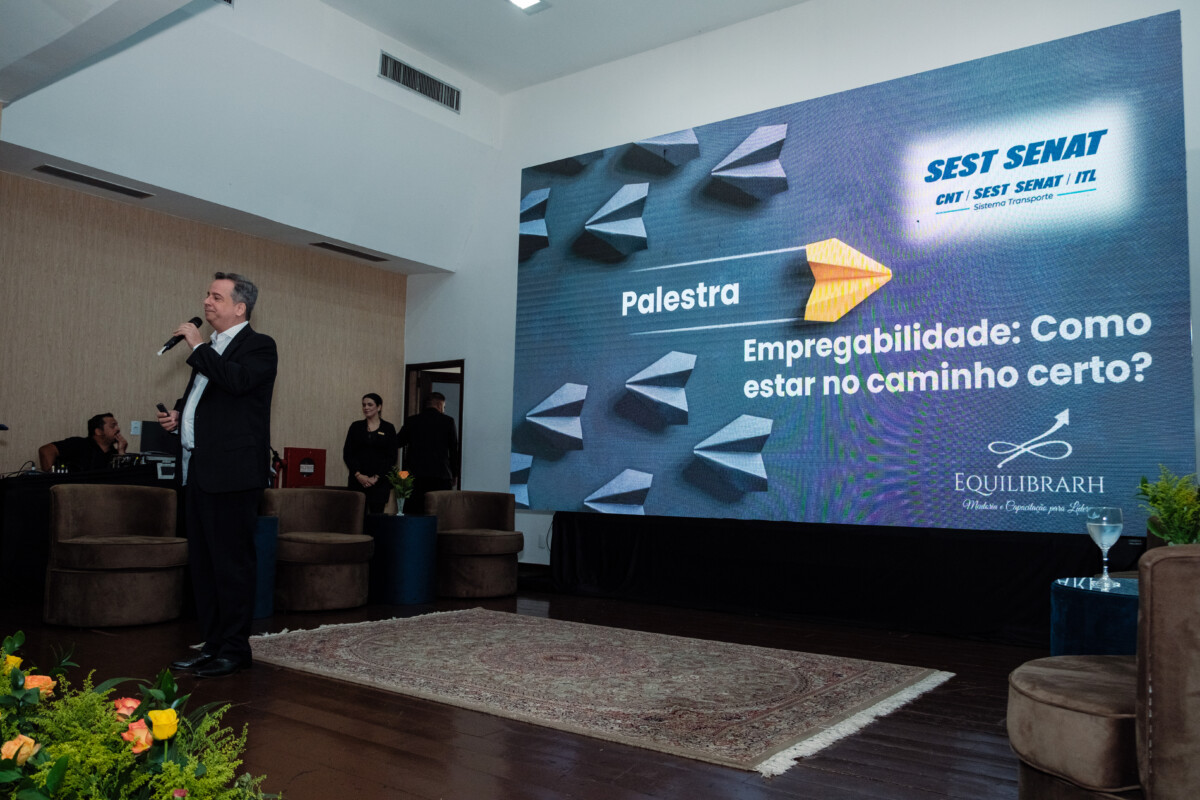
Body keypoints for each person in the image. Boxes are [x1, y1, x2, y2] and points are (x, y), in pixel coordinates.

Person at [157, 272, 277, 679]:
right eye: (207, 295)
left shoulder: (259, 346)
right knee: (205, 566)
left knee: (231, 565)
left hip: (234, 475)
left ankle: (235, 650)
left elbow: (237, 382)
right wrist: (181, 416)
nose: (206, 302)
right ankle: (210, 646)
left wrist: (197, 345)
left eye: (216, 297)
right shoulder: (211, 348)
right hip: (200, 470)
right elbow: (208, 400)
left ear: (240, 307)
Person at [396, 391, 459, 514]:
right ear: (440, 405)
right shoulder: (448, 421)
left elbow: (398, 442)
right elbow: (453, 449)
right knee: (439, 511)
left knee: (414, 511)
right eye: (444, 407)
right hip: (440, 474)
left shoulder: (412, 421)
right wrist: (454, 473)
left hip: (415, 474)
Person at [342, 392, 399, 514]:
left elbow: (392, 457)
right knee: (356, 517)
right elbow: (347, 453)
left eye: (370, 404)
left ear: (379, 407)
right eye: (364, 405)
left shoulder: (388, 428)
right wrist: (359, 475)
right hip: (357, 481)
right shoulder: (356, 426)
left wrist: (376, 477)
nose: (366, 408)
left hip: (380, 482)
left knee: (376, 518)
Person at [38, 413, 127, 472]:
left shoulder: (114, 453)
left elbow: (122, 477)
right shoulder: (79, 444)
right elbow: (45, 450)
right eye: (113, 426)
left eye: (117, 425)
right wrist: (51, 477)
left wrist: (121, 451)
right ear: (98, 431)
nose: (118, 429)